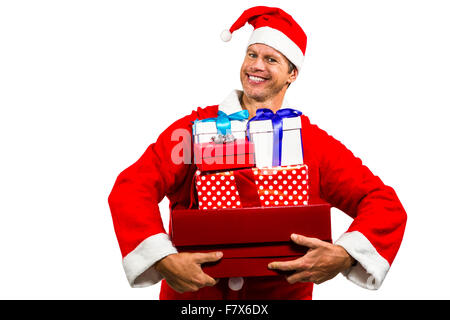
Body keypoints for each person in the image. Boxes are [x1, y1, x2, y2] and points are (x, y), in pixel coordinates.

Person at [108, 6, 407, 300]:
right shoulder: (191, 130)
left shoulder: (312, 143)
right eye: (251, 54)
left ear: (292, 74)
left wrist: (344, 255)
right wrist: (163, 259)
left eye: (271, 59)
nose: (256, 66)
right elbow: (132, 188)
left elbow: (384, 204)